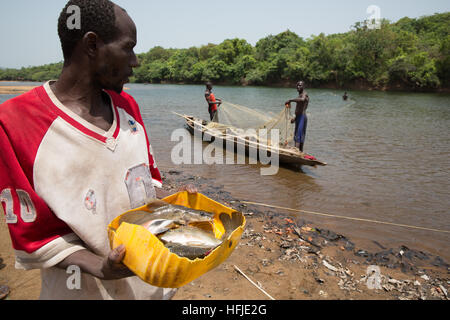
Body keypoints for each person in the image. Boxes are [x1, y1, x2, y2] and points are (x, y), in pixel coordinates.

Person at [0, 0, 196, 300]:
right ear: (92, 44)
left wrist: (178, 209)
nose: (135, 61)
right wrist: (100, 265)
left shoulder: (127, 107)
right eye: (128, 47)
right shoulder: (15, 122)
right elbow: (34, 234)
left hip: (151, 287)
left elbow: (143, 190)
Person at [285, 81, 309, 152]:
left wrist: (291, 100)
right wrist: (295, 118)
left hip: (302, 117)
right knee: (297, 136)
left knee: (299, 135)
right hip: (298, 117)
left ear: (303, 87)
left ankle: (296, 152)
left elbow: (302, 100)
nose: (298, 87)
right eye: (297, 85)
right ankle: (300, 152)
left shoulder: (305, 94)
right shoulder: (299, 95)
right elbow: (299, 108)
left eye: (300, 85)